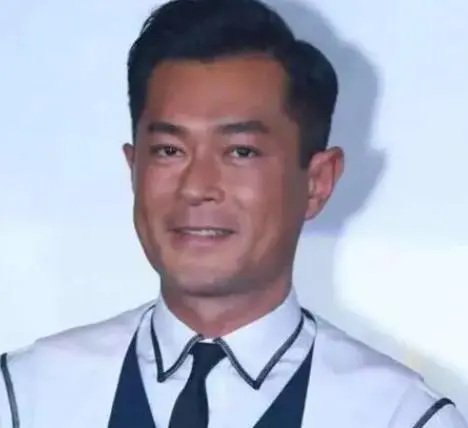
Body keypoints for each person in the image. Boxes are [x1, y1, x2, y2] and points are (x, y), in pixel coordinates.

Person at [0, 0, 466, 427]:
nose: (196, 187)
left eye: (241, 151)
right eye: (169, 150)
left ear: (317, 182)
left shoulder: (399, 417)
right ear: (133, 168)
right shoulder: (27, 396)